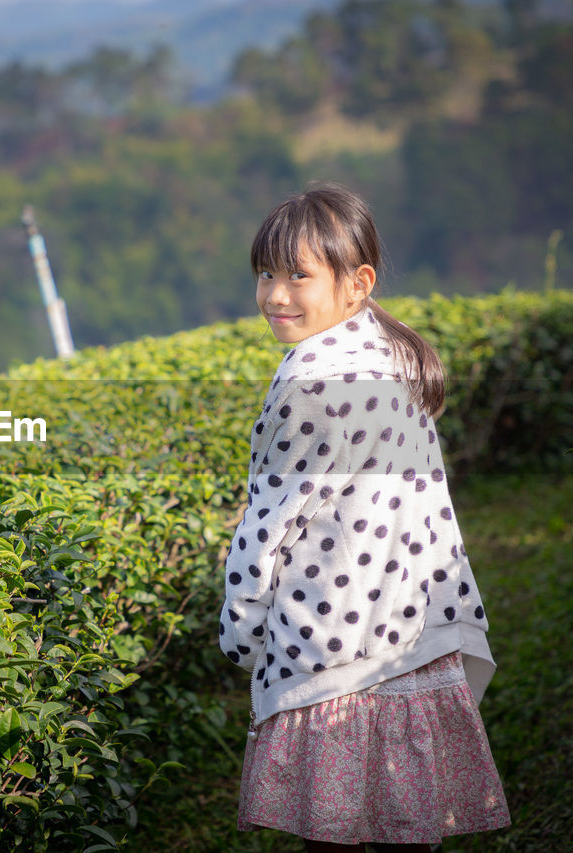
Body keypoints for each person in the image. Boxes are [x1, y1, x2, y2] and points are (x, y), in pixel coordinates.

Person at [218, 182, 511, 851]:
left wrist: (241, 626)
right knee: (412, 818)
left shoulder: (309, 379)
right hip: (412, 622)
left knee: (335, 827)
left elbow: (269, 522)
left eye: (299, 274)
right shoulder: (388, 350)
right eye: (266, 274)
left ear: (358, 282)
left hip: (331, 645)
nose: (276, 294)